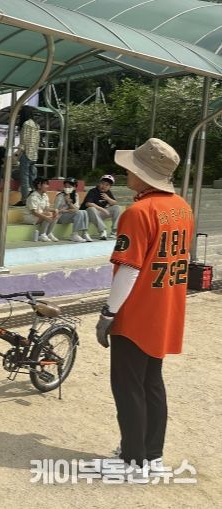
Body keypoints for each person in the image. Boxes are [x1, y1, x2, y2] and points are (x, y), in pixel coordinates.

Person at [94, 138, 194, 480]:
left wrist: (108, 313)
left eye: (132, 169)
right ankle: (152, 455)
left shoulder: (138, 212)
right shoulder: (182, 207)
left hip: (136, 313)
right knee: (152, 383)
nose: (127, 174)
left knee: (127, 387)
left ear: (144, 175)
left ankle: (133, 459)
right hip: (165, 308)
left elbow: (130, 269)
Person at [81, 174, 122, 240]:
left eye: (107, 185)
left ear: (110, 187)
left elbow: (114, 203)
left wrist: (108, 198)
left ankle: (114, 232)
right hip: (88, 215)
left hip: (99, 214)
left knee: (117, 207)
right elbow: (88, 204)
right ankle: (102, 231)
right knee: (92, 209)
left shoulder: (108, 192)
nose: (104, 186)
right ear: (99, 183)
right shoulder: (93, 191)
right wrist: (103, 209)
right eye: (102, 183)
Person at [53, 177, 93, 243]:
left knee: (84, 212)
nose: (67, 188)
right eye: (65, 186)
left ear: (74, 187)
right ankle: (74, 234)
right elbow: (56, 210)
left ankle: (84, 233)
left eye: (69, 186)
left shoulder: (75, 195)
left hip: (68, 214)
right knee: (79, 213)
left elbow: (76, 209)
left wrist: (69, 202)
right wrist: (67, 210)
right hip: (60, 217)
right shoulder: (60, 196)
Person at [14, 106, 40, 206]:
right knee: (32, 179)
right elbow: (37, 141)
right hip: (34, 155)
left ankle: (24, 200)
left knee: (24, 178)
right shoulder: (36, 125)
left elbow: (23, 141)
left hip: (26, 154)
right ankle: (34, 199)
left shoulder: (26, 124)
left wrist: (17, 153)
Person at [23, 176, 59, 242]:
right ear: (39, 185)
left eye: (47, 184)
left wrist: (54, 210)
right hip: (30, 217)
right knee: (48, 216)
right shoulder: (33, 196)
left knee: (54, 214)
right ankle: (42, 235)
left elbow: (46, 208)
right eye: (45, 184)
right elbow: (34, 212)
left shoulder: (45, 195)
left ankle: (49, 233)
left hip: (38, 215)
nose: (47, 186)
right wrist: (45, 217)